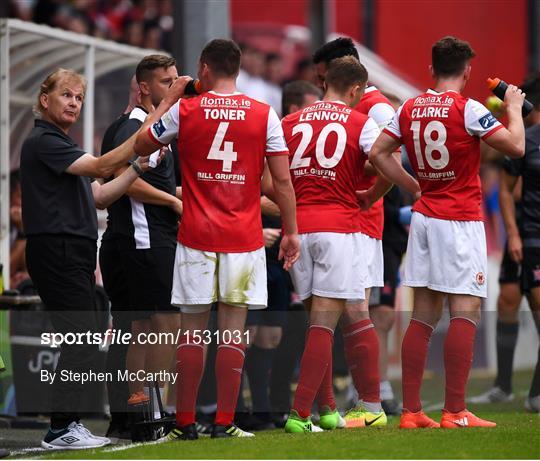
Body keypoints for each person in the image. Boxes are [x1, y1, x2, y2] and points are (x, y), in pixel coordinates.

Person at [134, 39, 299, 440]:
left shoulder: (185, 110)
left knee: (191, 331)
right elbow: (281, 180)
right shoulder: (264, 114)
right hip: (243, 238)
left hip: (195, 235)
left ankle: (186, 423)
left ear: (204, 67)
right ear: (238, 68)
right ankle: (225, 422)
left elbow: (140, 145)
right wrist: (292, 230)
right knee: (232, 332)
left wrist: (170, 100)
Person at [369, 36, 525, 429]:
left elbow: (378, 154)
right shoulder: (469, 109)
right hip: (459, 220)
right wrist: (515, 109)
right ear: (468, 70)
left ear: (431, 69)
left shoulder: (408, 107)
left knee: (422, 314)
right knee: (466, 310)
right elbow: (517, 147)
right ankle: (455, 411)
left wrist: (414, 185)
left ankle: (411, 412)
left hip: (423, 218)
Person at [20, 68, 156, 449]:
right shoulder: (43, 140)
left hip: (73, 250)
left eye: (78, 98)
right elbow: (99, 167)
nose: (74, 103)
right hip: (56, 250)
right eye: (67, 95)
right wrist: (153, 127)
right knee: (80, 338)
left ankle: (68, 424)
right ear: (45, 100)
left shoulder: (61, 143)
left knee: (86, 337)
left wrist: (136, 168)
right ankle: (62, 428)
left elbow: (99, 194)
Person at [281, 56, 387, 433]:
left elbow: (270, 179)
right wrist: (376, 192)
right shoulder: (361, 122)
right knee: (330, 325)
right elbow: (387, 158)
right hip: (339, 229)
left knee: (317, 325)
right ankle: (300, 414)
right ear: (356, 89)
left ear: (325, 82)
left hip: (296, 230)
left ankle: (326, 409)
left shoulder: (289, 122)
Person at [312, 36, 394, 427]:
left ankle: (371, 405)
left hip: (358, 221)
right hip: (342, 221)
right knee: (337, 311)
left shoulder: (374, 108)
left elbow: (387, 160)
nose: (318, 85)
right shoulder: (350, 107)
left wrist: (364, 193)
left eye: (323, 77)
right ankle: (343, 404)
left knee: (353, 309)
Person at [100, 56, 183, 441]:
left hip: (141, 238)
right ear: (144, 87)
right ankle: (151, 409)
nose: (174, 86)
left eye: (174, 79)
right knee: (163, 324)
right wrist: (171, 203)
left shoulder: (151, 127)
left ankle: (139, 412)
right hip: (143, 237)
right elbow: (123, 179)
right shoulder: (134, 126)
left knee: (142, 328)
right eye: (165, 81)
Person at [472, 75, 540, 412]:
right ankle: (503, 386)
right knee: (510, 299)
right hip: (522, 230)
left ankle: (534, 393)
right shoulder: (519, 136)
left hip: (530, 230)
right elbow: (491, 163)